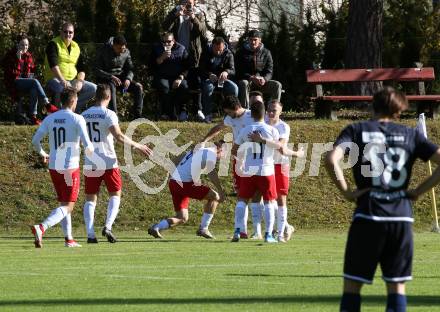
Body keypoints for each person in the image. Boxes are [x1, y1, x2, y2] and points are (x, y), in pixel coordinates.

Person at [325, 86, 440, 312]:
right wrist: (417, 191)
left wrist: (346, 191)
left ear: (372, 105)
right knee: (397, 287)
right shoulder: (410, 134)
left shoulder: (356, 130)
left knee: (352, 287)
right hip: (401, 217)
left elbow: (331, 159)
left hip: (368, 213)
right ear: (399, 109)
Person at [81, 84, 152, 243]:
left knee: (91, 198)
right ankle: (108, 226)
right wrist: (138, 145)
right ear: (109, 97)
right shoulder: (109, 114)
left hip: (91, 161)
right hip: (107, 160)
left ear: (95, 96)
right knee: (115, 193)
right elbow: (119, 136)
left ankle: (90, 234)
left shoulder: (84, 114)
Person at [30, 89, 94, 248]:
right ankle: (42, 227)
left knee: (64, 202)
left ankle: (69, 239)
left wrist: (43, 153)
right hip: (70, 167)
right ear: (73, 101)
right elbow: (88, 144)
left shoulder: (50, 118)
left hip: (54, 166)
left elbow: (35, 141)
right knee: (68, 205)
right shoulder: (78, 119)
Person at [249, 100, 304, 241]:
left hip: (280, 164)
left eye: (274, 110)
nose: (271, 113)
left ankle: (280, 233)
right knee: (258, 196)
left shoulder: (284, 127)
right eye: (269, 110)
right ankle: (259, 231)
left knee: (280, 199)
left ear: (281, 111)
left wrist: (296, 154)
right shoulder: (262, 122)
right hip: (264, 164)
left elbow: (281, 147)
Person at [147, 140, 226, 239]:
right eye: (224, 152)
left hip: (174, 182)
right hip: (184, 183)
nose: (224, 156)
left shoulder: (198, 150)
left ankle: (156, 227)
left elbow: (176, 160)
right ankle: (203, 228)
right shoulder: (211, 153)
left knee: (182, 217)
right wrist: (221, 190)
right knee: (215, 196)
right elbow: (212, 173)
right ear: (219, 148)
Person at [202, 95, 254, 238]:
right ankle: (242, 231)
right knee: (241, 195)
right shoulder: (231, 118)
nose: (229, 116)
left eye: (230, 112)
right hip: (239, 160)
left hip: (255, 160)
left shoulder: (251, 116)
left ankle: (264, 230)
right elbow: (219, 127)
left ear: (237, 107)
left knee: (258, 196)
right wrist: (204, 140)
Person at [231, 100, 279, 243]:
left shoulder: (245, 130)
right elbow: (279, 147)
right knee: (269, 202)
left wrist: (241, 160)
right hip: (266, 170)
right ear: (264, 113)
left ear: (251, 114)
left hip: (249, 170)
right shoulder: (272, 130)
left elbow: (235, 149)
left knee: (242, 200)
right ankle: (268, 234)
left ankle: (238, 230)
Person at [163, 0, 208, 121]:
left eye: (190, 3)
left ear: (194, 3)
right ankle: (183, 111)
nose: (187, 5)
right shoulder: (176, 11)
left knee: (196, 82)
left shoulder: (199, 14)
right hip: (178, 55)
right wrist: (175, 16)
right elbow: (164, 27)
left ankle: (198, 110)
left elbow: (203, 33)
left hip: (193, 56)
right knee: (183, 84)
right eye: (185, 2)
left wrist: (194, 18)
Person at [1, 35, 57, 125]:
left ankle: (33, 117)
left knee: (34, 88)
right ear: (17, 45)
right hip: (13, 83)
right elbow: (13, 74)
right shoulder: (11, 55)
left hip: (24, 82)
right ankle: (47, 104)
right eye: (22, 45)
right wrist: (18, 59)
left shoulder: (28, 56)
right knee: (34, 82)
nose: (25, 47)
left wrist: (29, 76)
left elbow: (30, 73)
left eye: (26, 45)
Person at [44, 22, 97, 113]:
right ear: (61, 32)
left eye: (70, 32)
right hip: (55, 79)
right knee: (60, 88)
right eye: (65, 32)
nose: (68, 34)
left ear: (73, 34)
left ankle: (74, 109)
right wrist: (62, 80)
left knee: (93, 88)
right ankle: (59, 114)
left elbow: (82, 69)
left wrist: (79, 81)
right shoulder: (53, 44)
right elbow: (53, 65)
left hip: (72, 80)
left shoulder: (76, 46)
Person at [95, 35, 144, 119]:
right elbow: (96, 70)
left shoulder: (126, 52)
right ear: (113, 45)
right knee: (111, 87)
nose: (121, 51)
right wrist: (111, 76)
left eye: (123, 48)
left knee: (138, 88)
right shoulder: (103, 50)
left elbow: (130, 69)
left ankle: (137, 116)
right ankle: (114, 117)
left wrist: (128, 79)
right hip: (106, 79)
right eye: (119, 49)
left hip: (121, 79)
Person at [235, 29, 282, 108]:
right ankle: (246, 112)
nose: (253, 42)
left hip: (262, 82)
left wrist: (265, 79)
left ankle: (273, 110)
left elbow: (269, 71)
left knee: (277, 85)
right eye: (251, 40)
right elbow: (238, 70)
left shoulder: (266, 53)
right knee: (244, 83)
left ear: (260, 40)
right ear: (248, 40)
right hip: (248, 81)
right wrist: (251, 77)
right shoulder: (241, 52)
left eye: (255, 40)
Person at [150, 32, 190, 121]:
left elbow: (187, 66)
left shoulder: (181, 49)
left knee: (184, 86)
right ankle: (169, 113)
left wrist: (180, 78)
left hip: (177, 76)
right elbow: (151, 65)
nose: (166, 44)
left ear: (173, 41)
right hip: (162, 76)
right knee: (165, 87)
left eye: (169, 41)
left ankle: (182, 112)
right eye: (164, 42)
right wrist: (161, 58)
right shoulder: (157, 48)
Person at [199, 36, 238, 123]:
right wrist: (209, 74)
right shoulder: (206, 53)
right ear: (212, 46)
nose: (218, 52)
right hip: (210, 79)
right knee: (207, 87)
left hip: (223, 80)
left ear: (224, 46)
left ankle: (230, 114)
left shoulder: (229, 54)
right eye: (215, 49)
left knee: (234, 88)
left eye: (220, 49)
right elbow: (201, 69)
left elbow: (233, 70)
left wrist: (226, 72)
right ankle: (207, 114)